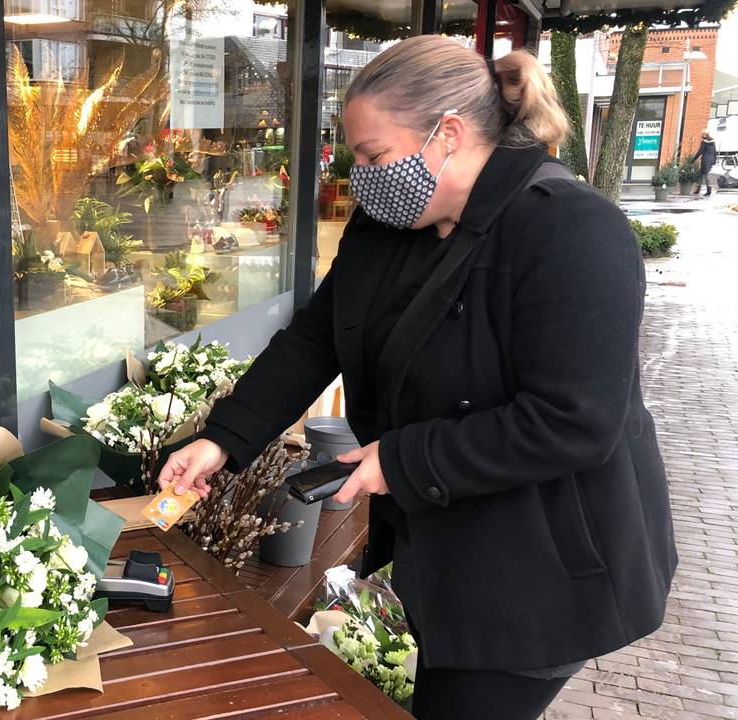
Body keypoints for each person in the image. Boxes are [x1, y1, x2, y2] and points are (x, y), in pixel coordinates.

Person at [160, 35, 675, 720]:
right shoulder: (389, 224)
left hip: (540, 568)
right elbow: (316, 340)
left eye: (375, 156)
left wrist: (399, 460)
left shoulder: (572, 231)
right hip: (445, 547)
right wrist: (223, 438)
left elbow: (574, 420)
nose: (363, 175)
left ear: (449, 134)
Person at [691, 131, 719, 196]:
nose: (702, 135)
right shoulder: (712, 142)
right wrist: (714, 160)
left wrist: (693, 160)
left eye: (703, 134)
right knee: (701, 174)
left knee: (705, 175)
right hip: (711, 160)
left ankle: (708, 190)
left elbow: (699, 152)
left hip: (705, 160)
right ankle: (698, 189)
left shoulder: (704, 142)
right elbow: (715, 152)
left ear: (705, 135)